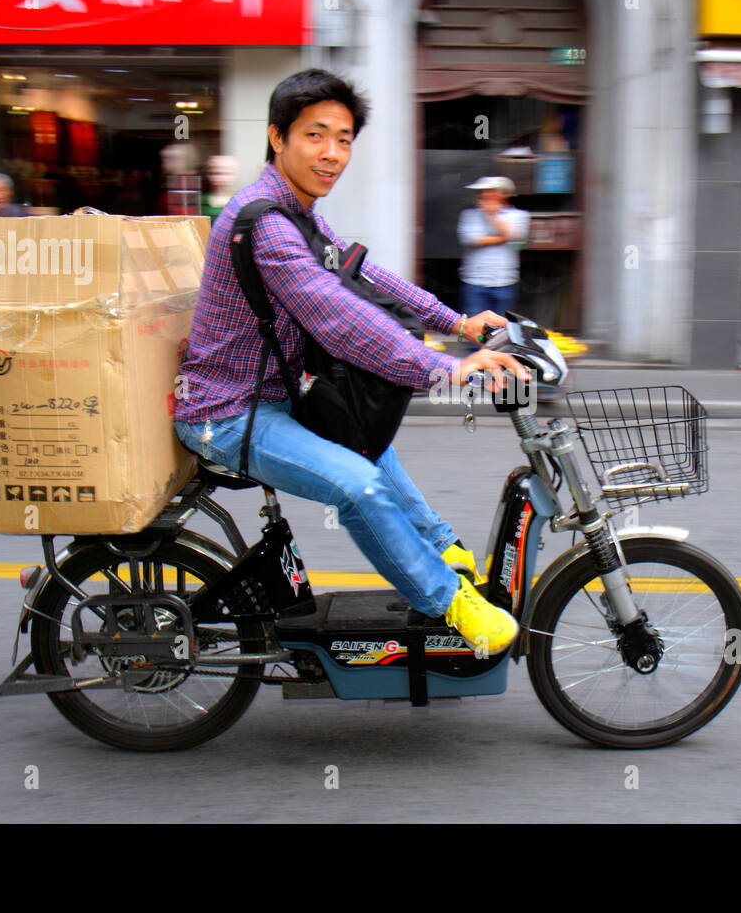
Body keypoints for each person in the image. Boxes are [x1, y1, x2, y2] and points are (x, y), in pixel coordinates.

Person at [173, 68, 528, 655]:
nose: (332, 154)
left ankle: (436, 543)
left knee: (364, 436)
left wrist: (457, 323)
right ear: (277, 137)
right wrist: (442, 368)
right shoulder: (265, 225)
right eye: (316, 136)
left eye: (343, 139)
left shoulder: (297, 211)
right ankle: (446, 601)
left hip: (274, 397)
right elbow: (336, 313)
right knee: (359, 485)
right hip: (226, 412)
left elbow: (361, 273)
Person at [457, 176, 529, 324]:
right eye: (481, 192)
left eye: (487, 191)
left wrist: (492, 215)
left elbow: (517, 237)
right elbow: (473, 240)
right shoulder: (469, 215)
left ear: (503, 194)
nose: (482, 195)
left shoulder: (518, 216)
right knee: (476, 330)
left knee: (501, 332)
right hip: (474, 281)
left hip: (505, 282)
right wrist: (504, 236)